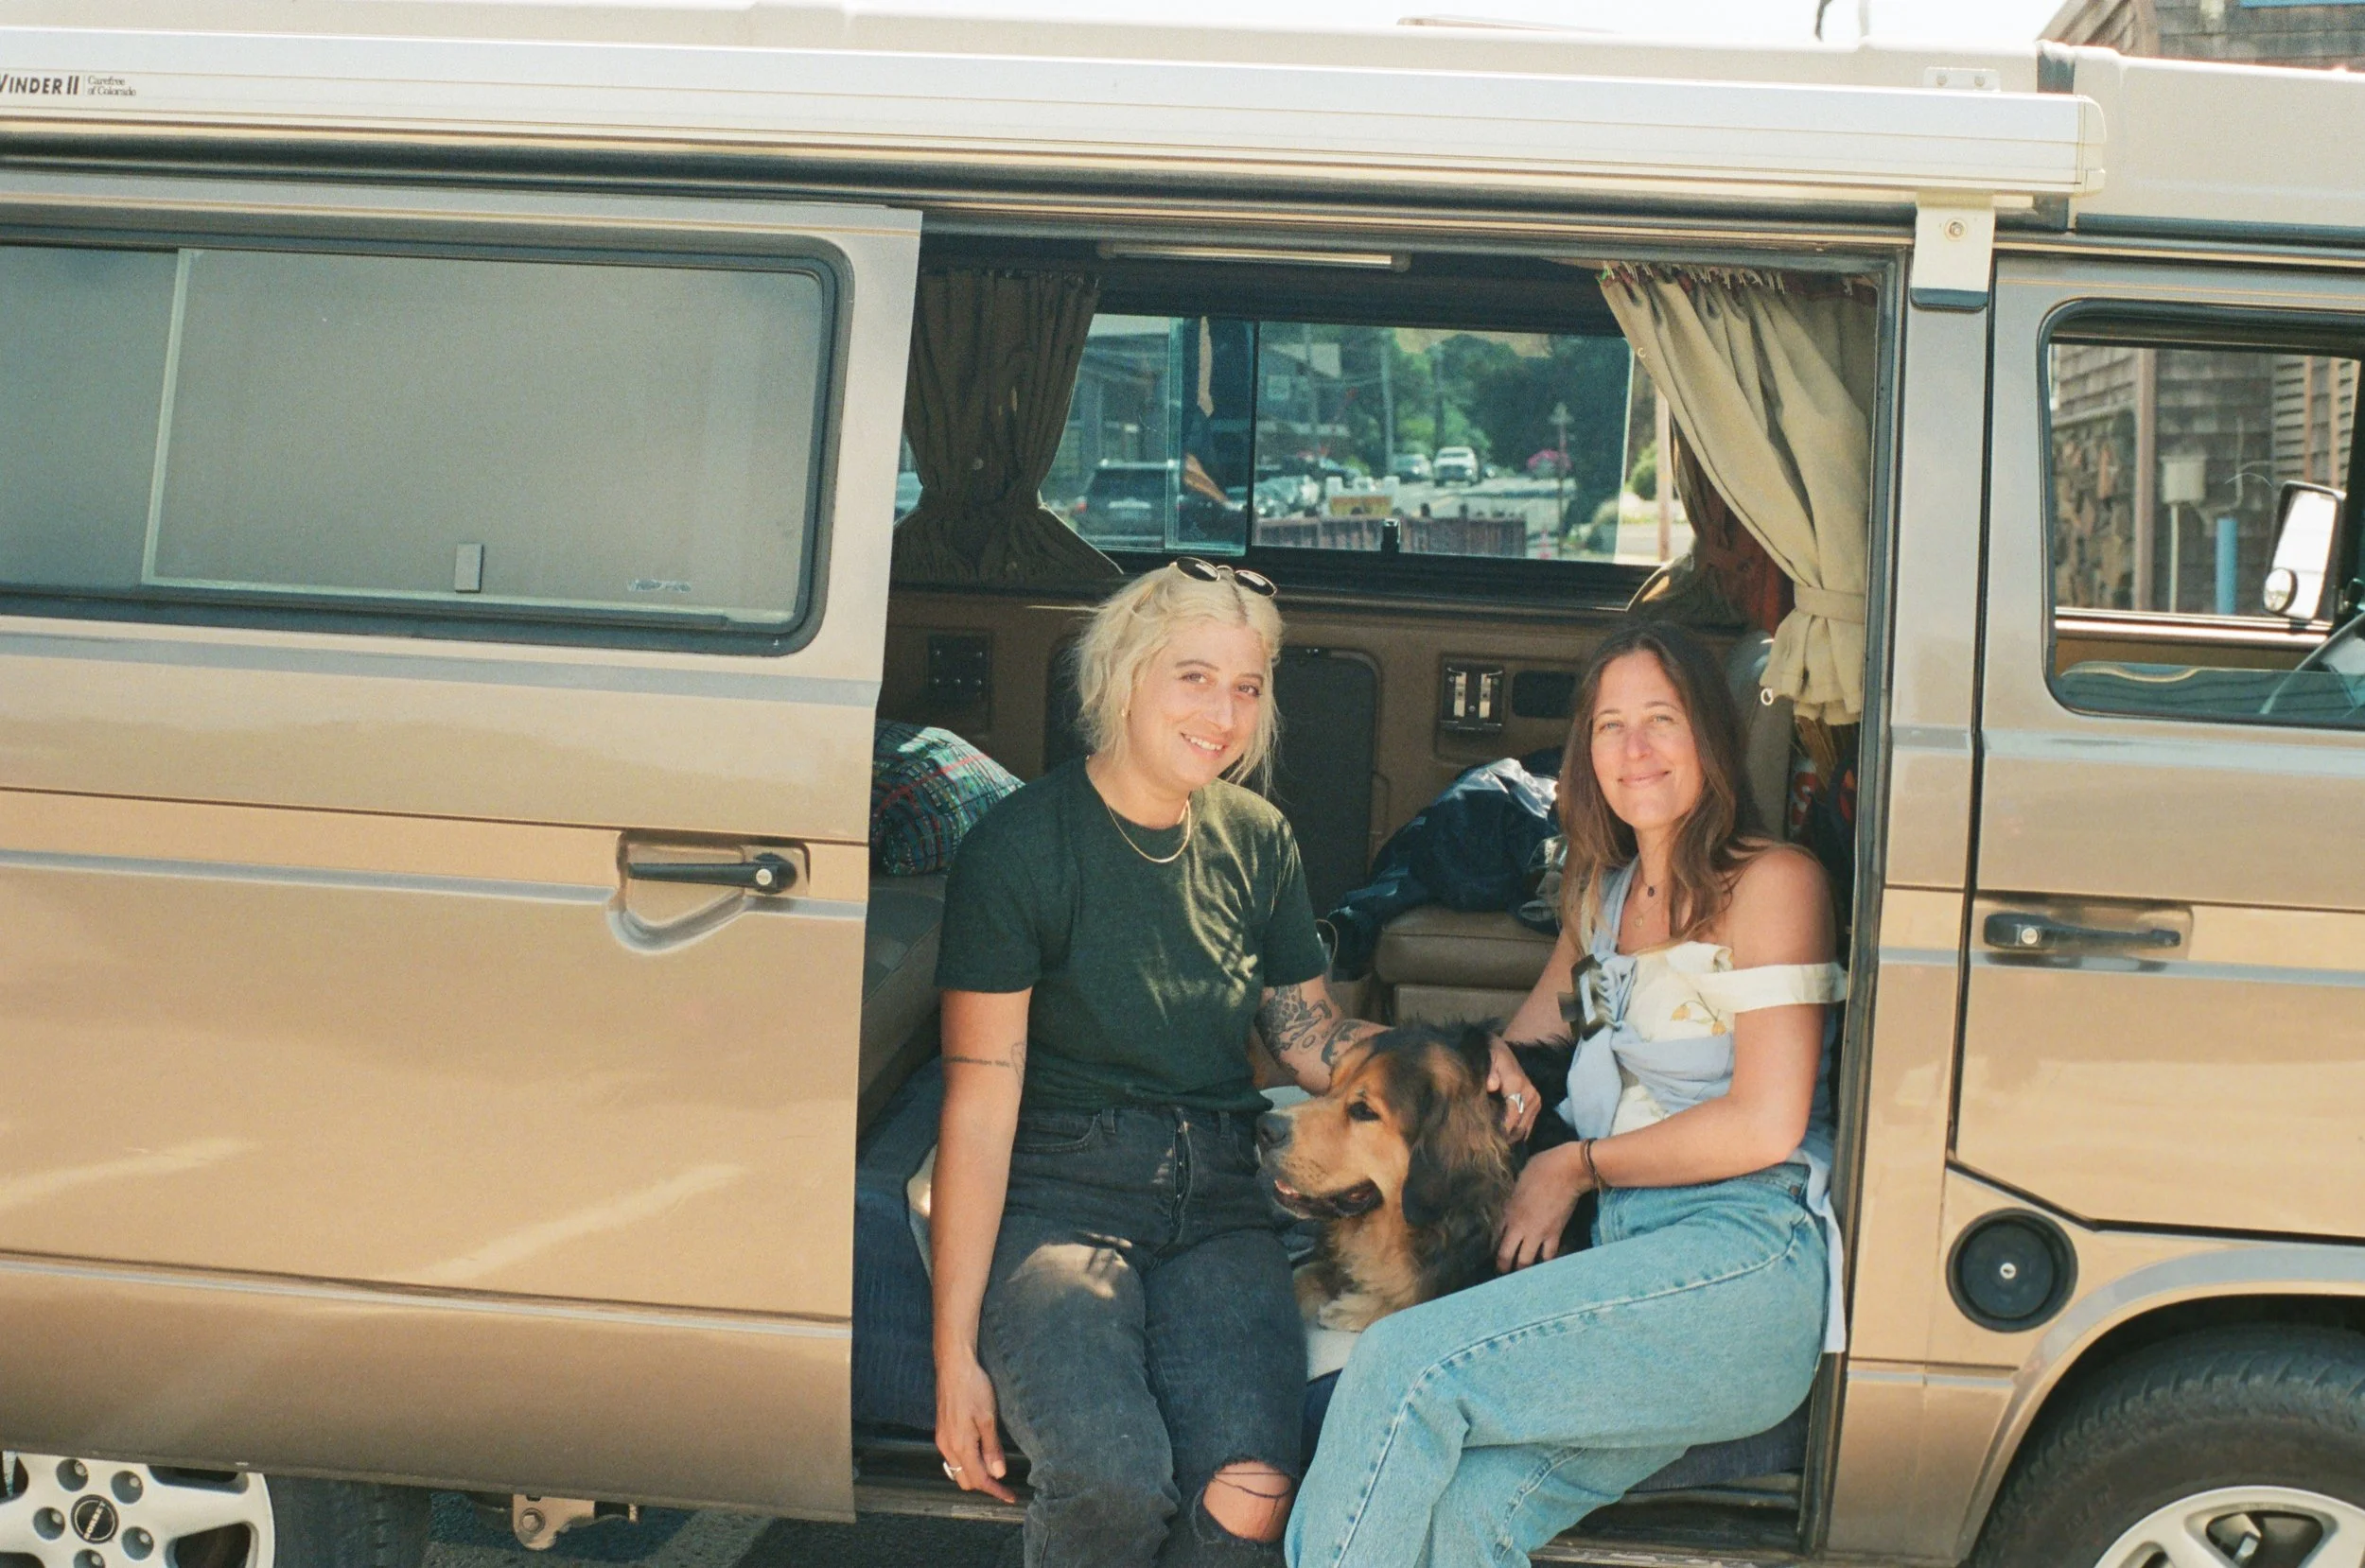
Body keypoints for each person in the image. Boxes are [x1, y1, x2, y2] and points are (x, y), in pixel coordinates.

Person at [929, 558, 1542, 1568]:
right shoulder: (1023, 846)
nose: (1224, 711)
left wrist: (1463, 1071)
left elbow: (1307, 1039)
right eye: (1194, 676)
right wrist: (956, 1353)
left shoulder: (1256, 839)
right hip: (1063, 1185)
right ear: (1122, 678)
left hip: (1219, 1189)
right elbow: (979, 1107)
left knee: (1253, 1492)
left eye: (1247, 686)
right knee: (1113, 1480)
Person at [1287, 619, 1847, 1568]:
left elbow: (1766, 1118)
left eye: (1660, 720)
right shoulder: (1605, 891)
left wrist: (1574, 1164)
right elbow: (1538, 1033)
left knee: (1398, 1366)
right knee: (1464, 1517)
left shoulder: (1773, 883)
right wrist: (1491, 1064)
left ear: (1711, 734)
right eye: (1609, 726)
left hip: (1740, 1258)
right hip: (1624, 1256)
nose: (1634, 750)